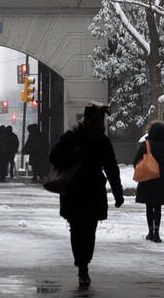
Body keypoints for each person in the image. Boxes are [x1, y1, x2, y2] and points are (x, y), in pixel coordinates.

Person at [48, 102, 124, 288]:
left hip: (94, 191)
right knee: (77, 229)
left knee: (89, 231)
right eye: (95, 120)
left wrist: (117, 192)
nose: (99, 124)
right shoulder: (72, 138)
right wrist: (74, 155)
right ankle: (82, 265)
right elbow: (54, 157)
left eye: (101, 121)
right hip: (74, 191)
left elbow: (111, 167)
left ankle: (84, 263)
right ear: (87, 120)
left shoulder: (103, 141)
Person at [133, 121, 164, 242]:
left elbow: (136, 161)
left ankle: (150, 231)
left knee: (149, 206)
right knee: (158, 207)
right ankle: (157, 233)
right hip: (161, 180)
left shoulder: (146, 144)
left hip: (147, 179)